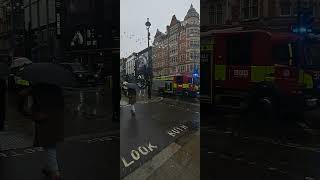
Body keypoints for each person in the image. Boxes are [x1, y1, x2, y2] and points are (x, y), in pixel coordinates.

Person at [18, 83, 64, 180]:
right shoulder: (56, 85)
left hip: (43, 115)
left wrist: (28, 92)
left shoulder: (38, 86)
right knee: (49, 142)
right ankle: (48, 167)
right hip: (56, 115)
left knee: (48, 143)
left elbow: (24, 101)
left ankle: (55, 172)